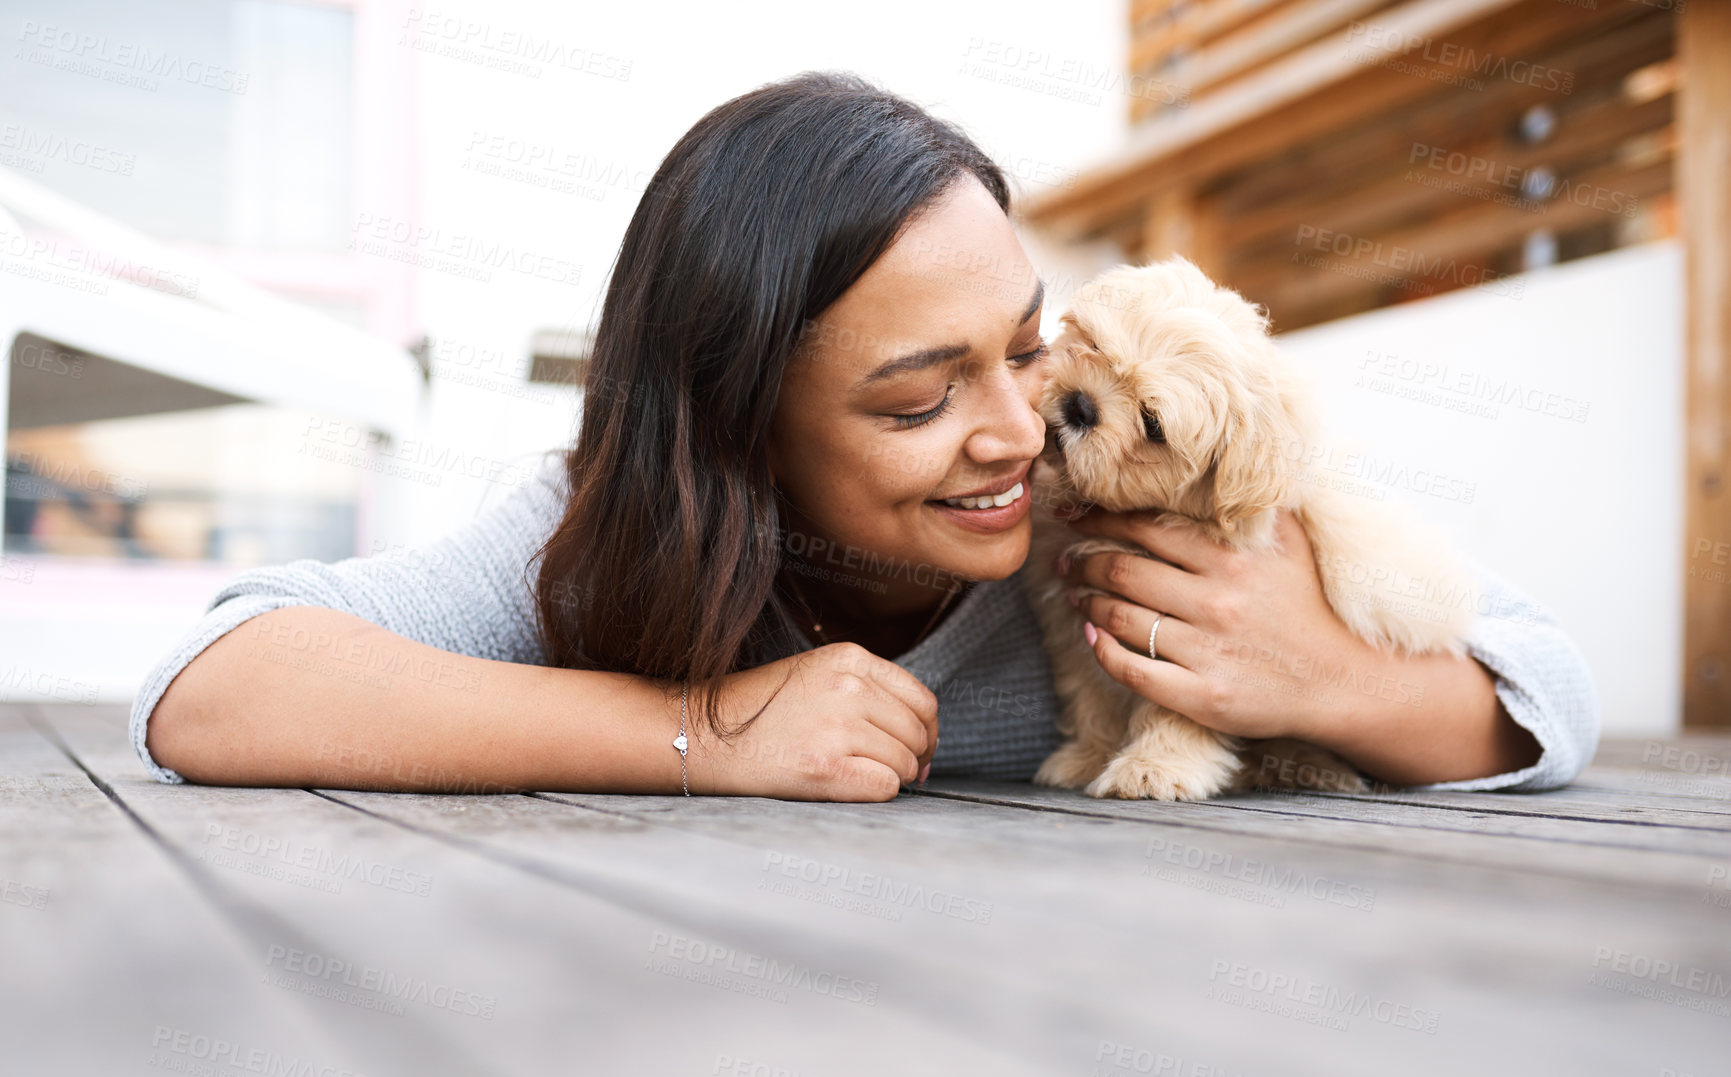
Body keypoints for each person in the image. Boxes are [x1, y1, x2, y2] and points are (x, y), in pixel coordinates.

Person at [134, 72, 1598, 802]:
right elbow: (214, 685)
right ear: (740, 429)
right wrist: (707, 735)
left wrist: (1333, 679)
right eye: (920, 399)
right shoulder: (608, 535)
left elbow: (1552, 687)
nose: (1022, 430)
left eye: (1031, 346)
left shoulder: (1141, 527)